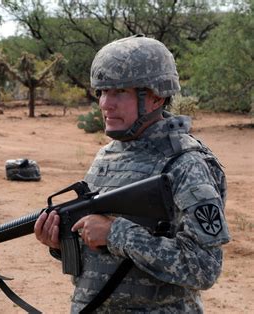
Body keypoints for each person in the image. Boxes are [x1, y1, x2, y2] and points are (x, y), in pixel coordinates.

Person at [35, 34, 230, 313]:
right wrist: (59, 242)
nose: (105, 104)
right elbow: (99, 255)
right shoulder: (106, 157)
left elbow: (203, 267)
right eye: (101, 92)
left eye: (119, 92)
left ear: (155, 96)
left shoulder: (185, 164)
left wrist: (116, 233)